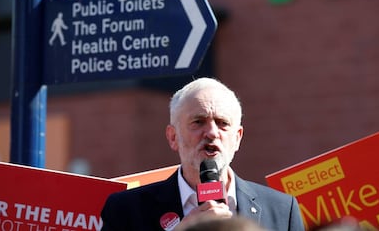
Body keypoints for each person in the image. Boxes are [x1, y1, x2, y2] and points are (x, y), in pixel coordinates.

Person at [101, 77, 305, 231]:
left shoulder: (281, 209)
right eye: (198, 122)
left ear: (238, 138)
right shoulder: (126, 210)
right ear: (173, 137)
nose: (212, 133)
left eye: (223, 123)